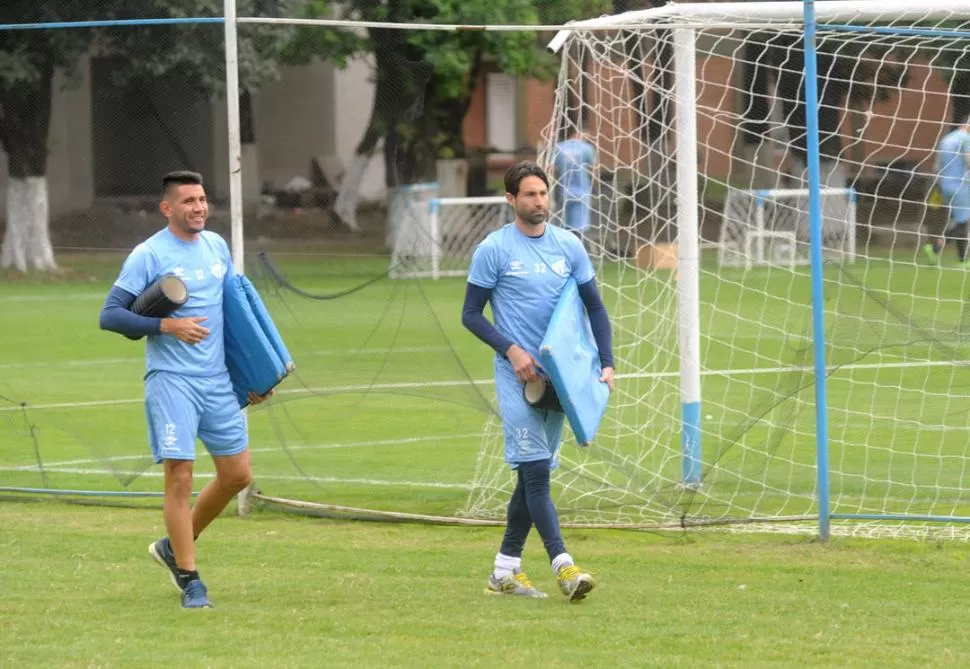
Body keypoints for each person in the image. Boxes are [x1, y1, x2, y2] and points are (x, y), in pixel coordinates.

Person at [99, 170, 271, 609]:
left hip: (217, 381)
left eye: (202, 199)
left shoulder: (216, 247)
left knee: (238, 475)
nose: (198, 207)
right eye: (188, 201)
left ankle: (175, 545)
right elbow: (111, 315)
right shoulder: (149, 254)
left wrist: (253, 375)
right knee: (180, 476)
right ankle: (191, 579)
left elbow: (233, 315)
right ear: (167, 208)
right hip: (172, 381)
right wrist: (166, 324)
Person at [461, 160, 615, 602]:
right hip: (518, 381)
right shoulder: (493, 249)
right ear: (511, 200)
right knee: (536, 478)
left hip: (559, 384)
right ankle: (564, 568)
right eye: (529, 194)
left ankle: (504, 571)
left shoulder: (568, 246)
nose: (539, 201)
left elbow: (595, 308)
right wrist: (511, 350)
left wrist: (606, 361)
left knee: (534, 476)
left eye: (543, 193)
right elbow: (470, 314)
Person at [923, 116, 970, 265]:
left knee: (958, 221)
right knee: (962, 223)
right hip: (960, 185)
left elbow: (936, 166)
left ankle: (962, 259)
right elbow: (968, 161)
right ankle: (936, 248)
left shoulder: (946, 140)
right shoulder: (965, 139)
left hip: (945, 185)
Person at [551, 131, 598, 238]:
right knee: (579, 227)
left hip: (564, 191)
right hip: (582, 192)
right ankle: (577, 248)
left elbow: (552, 170)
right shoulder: (586, 148)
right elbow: (594, 171)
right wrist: (595, 188)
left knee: (565, 225)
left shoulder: (559, 148)